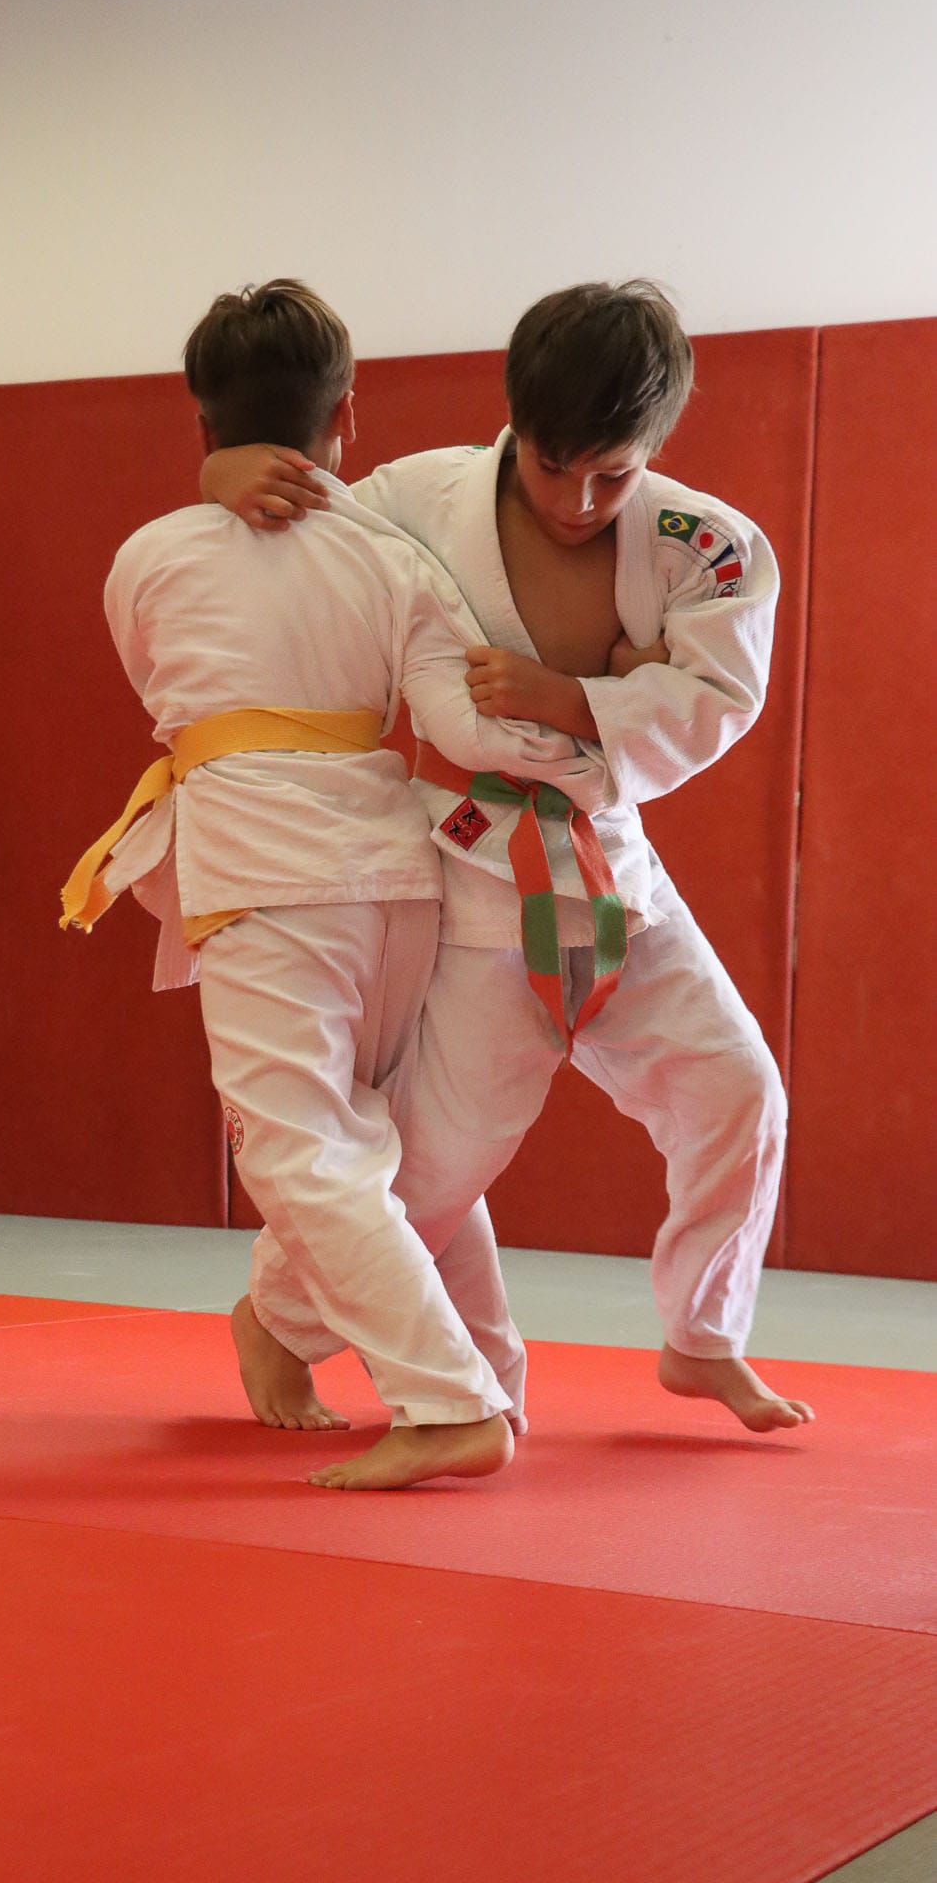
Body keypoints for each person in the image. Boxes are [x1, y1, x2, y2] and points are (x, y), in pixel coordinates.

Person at [203, 279, 813, 1437]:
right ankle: (277, 1316)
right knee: (445, 1157)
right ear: (513, 422)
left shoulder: (706, 544)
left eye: (613, 475)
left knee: (738, 1091)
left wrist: (565, 697)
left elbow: (719, 701)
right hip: (477, 865)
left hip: (611, 868)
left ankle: (702, 1336)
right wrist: (224, 476)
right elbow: (297, 535)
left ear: (656, 446)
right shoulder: (417, 499)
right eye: (551, 464)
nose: (578, 501)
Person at [62, 278, 615, 1489]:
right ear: (347, 412)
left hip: (262, 868)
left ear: (199, 416)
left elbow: (161, 685)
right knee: (390, 1148)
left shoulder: (151, 556)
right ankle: (490, 1375)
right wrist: (598, 748)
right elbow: (455, 725)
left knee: (301, 1154)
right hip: (396, 875)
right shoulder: (391, 555)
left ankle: (449, 1400)